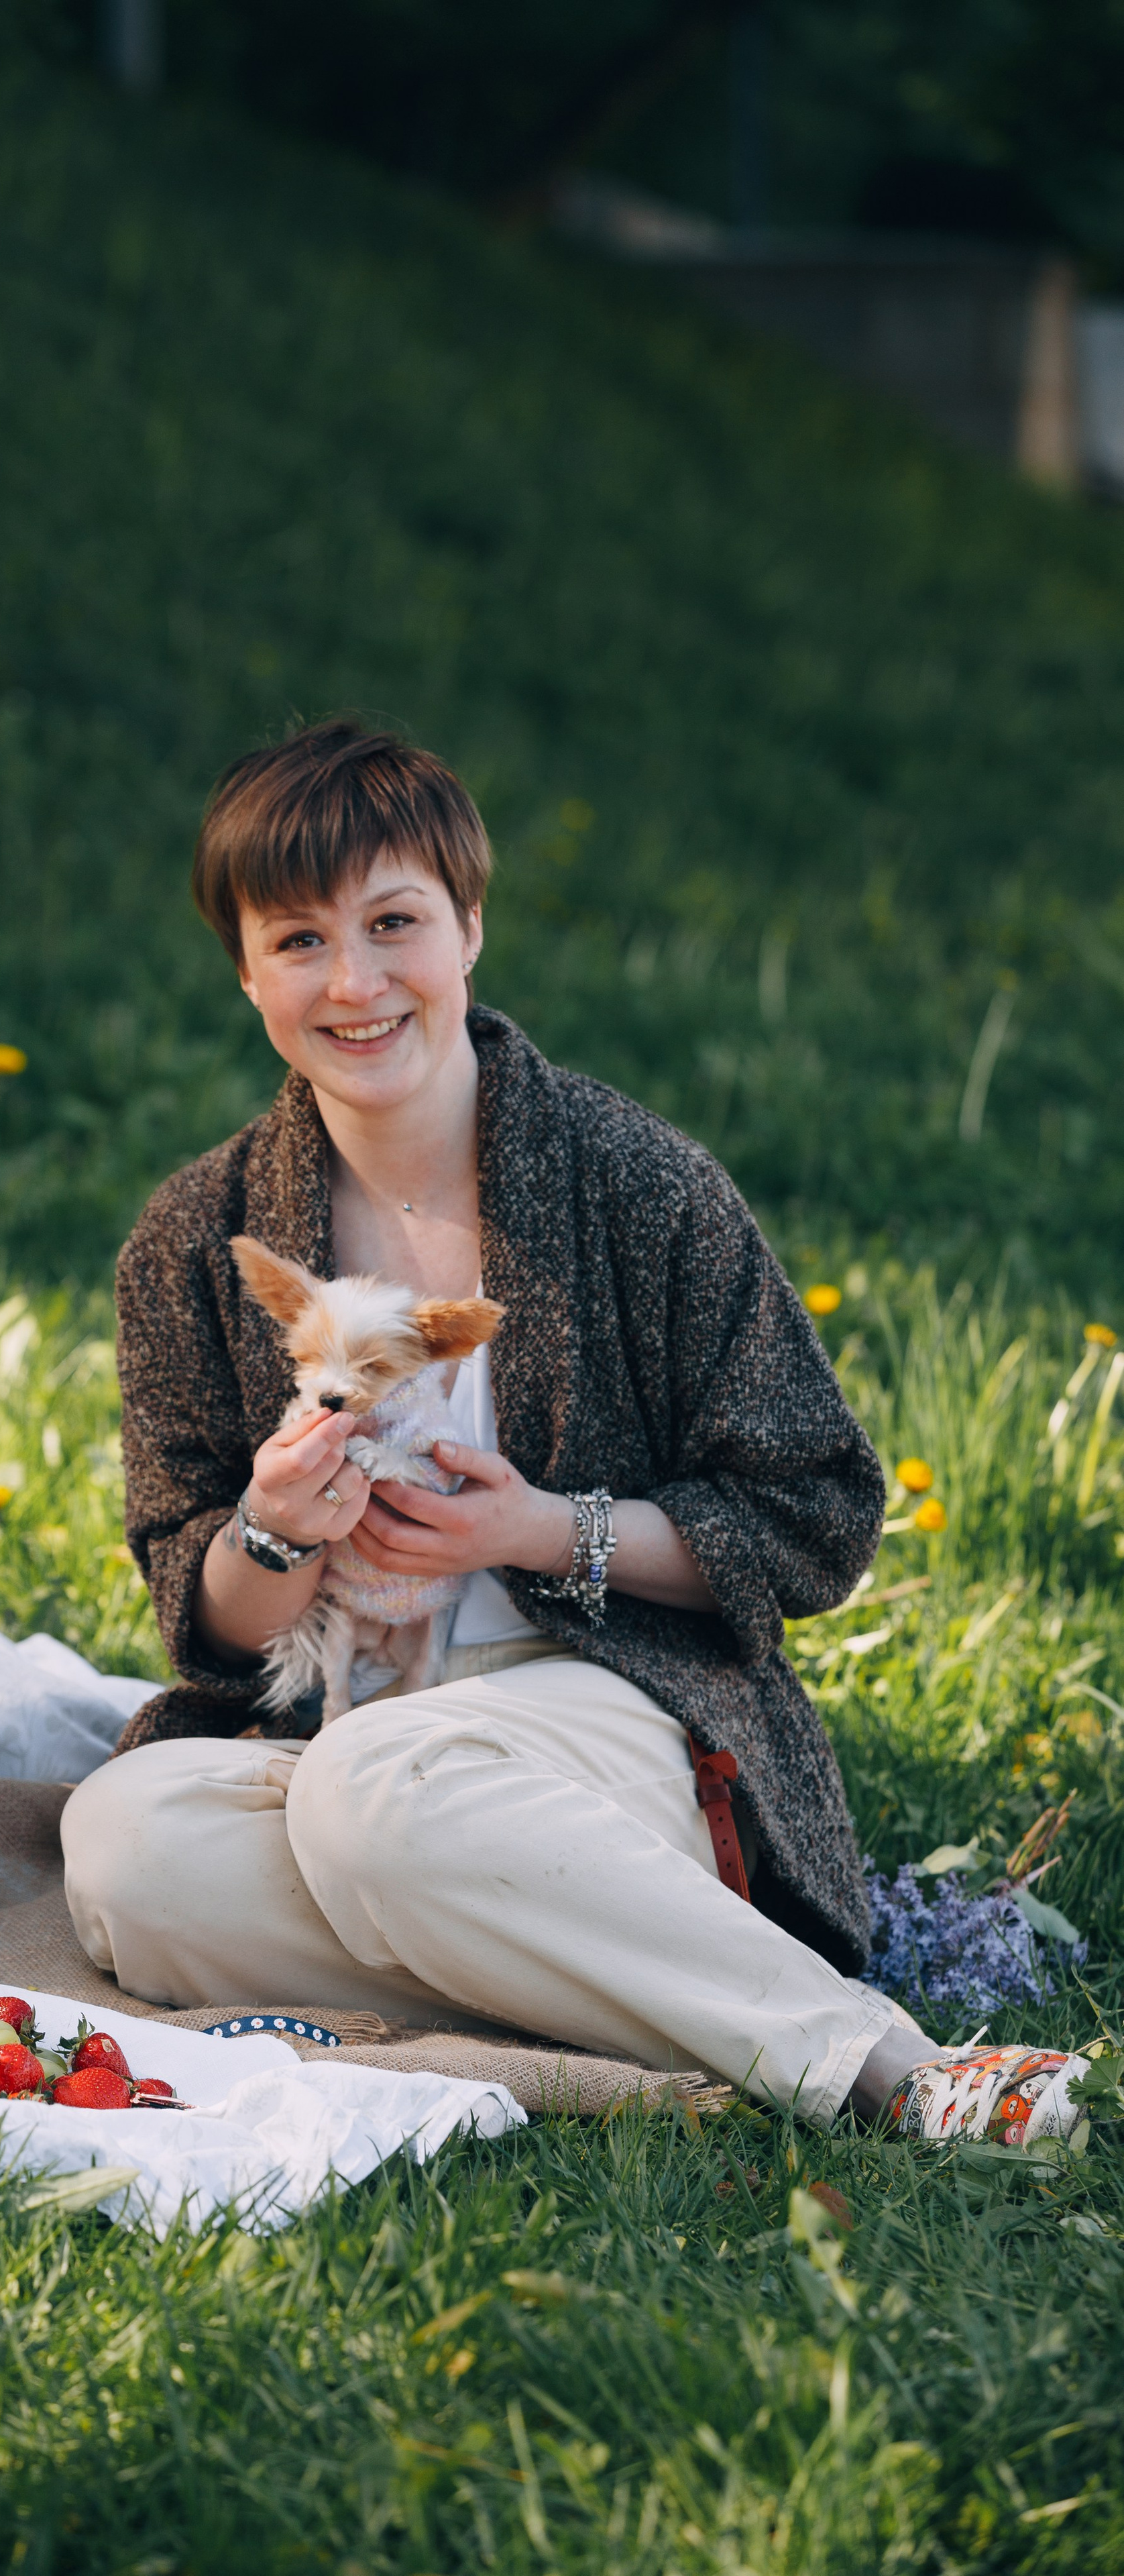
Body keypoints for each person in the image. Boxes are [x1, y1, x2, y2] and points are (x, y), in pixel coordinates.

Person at [61, 720, 1093, 2151]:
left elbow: (814, 1516)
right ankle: (590, 1966)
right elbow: (209, 1629)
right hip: (338, 1732)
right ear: (243, 971)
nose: (352, 983)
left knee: (375, 1800)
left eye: (392, 924)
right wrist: (269, 1529)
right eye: (297, 941)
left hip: (608, 1714)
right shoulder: (197, 1240)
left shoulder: (633, 1185)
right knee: (123, 1853)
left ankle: (884, 2067)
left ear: (468, 928)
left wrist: (540, 1529)